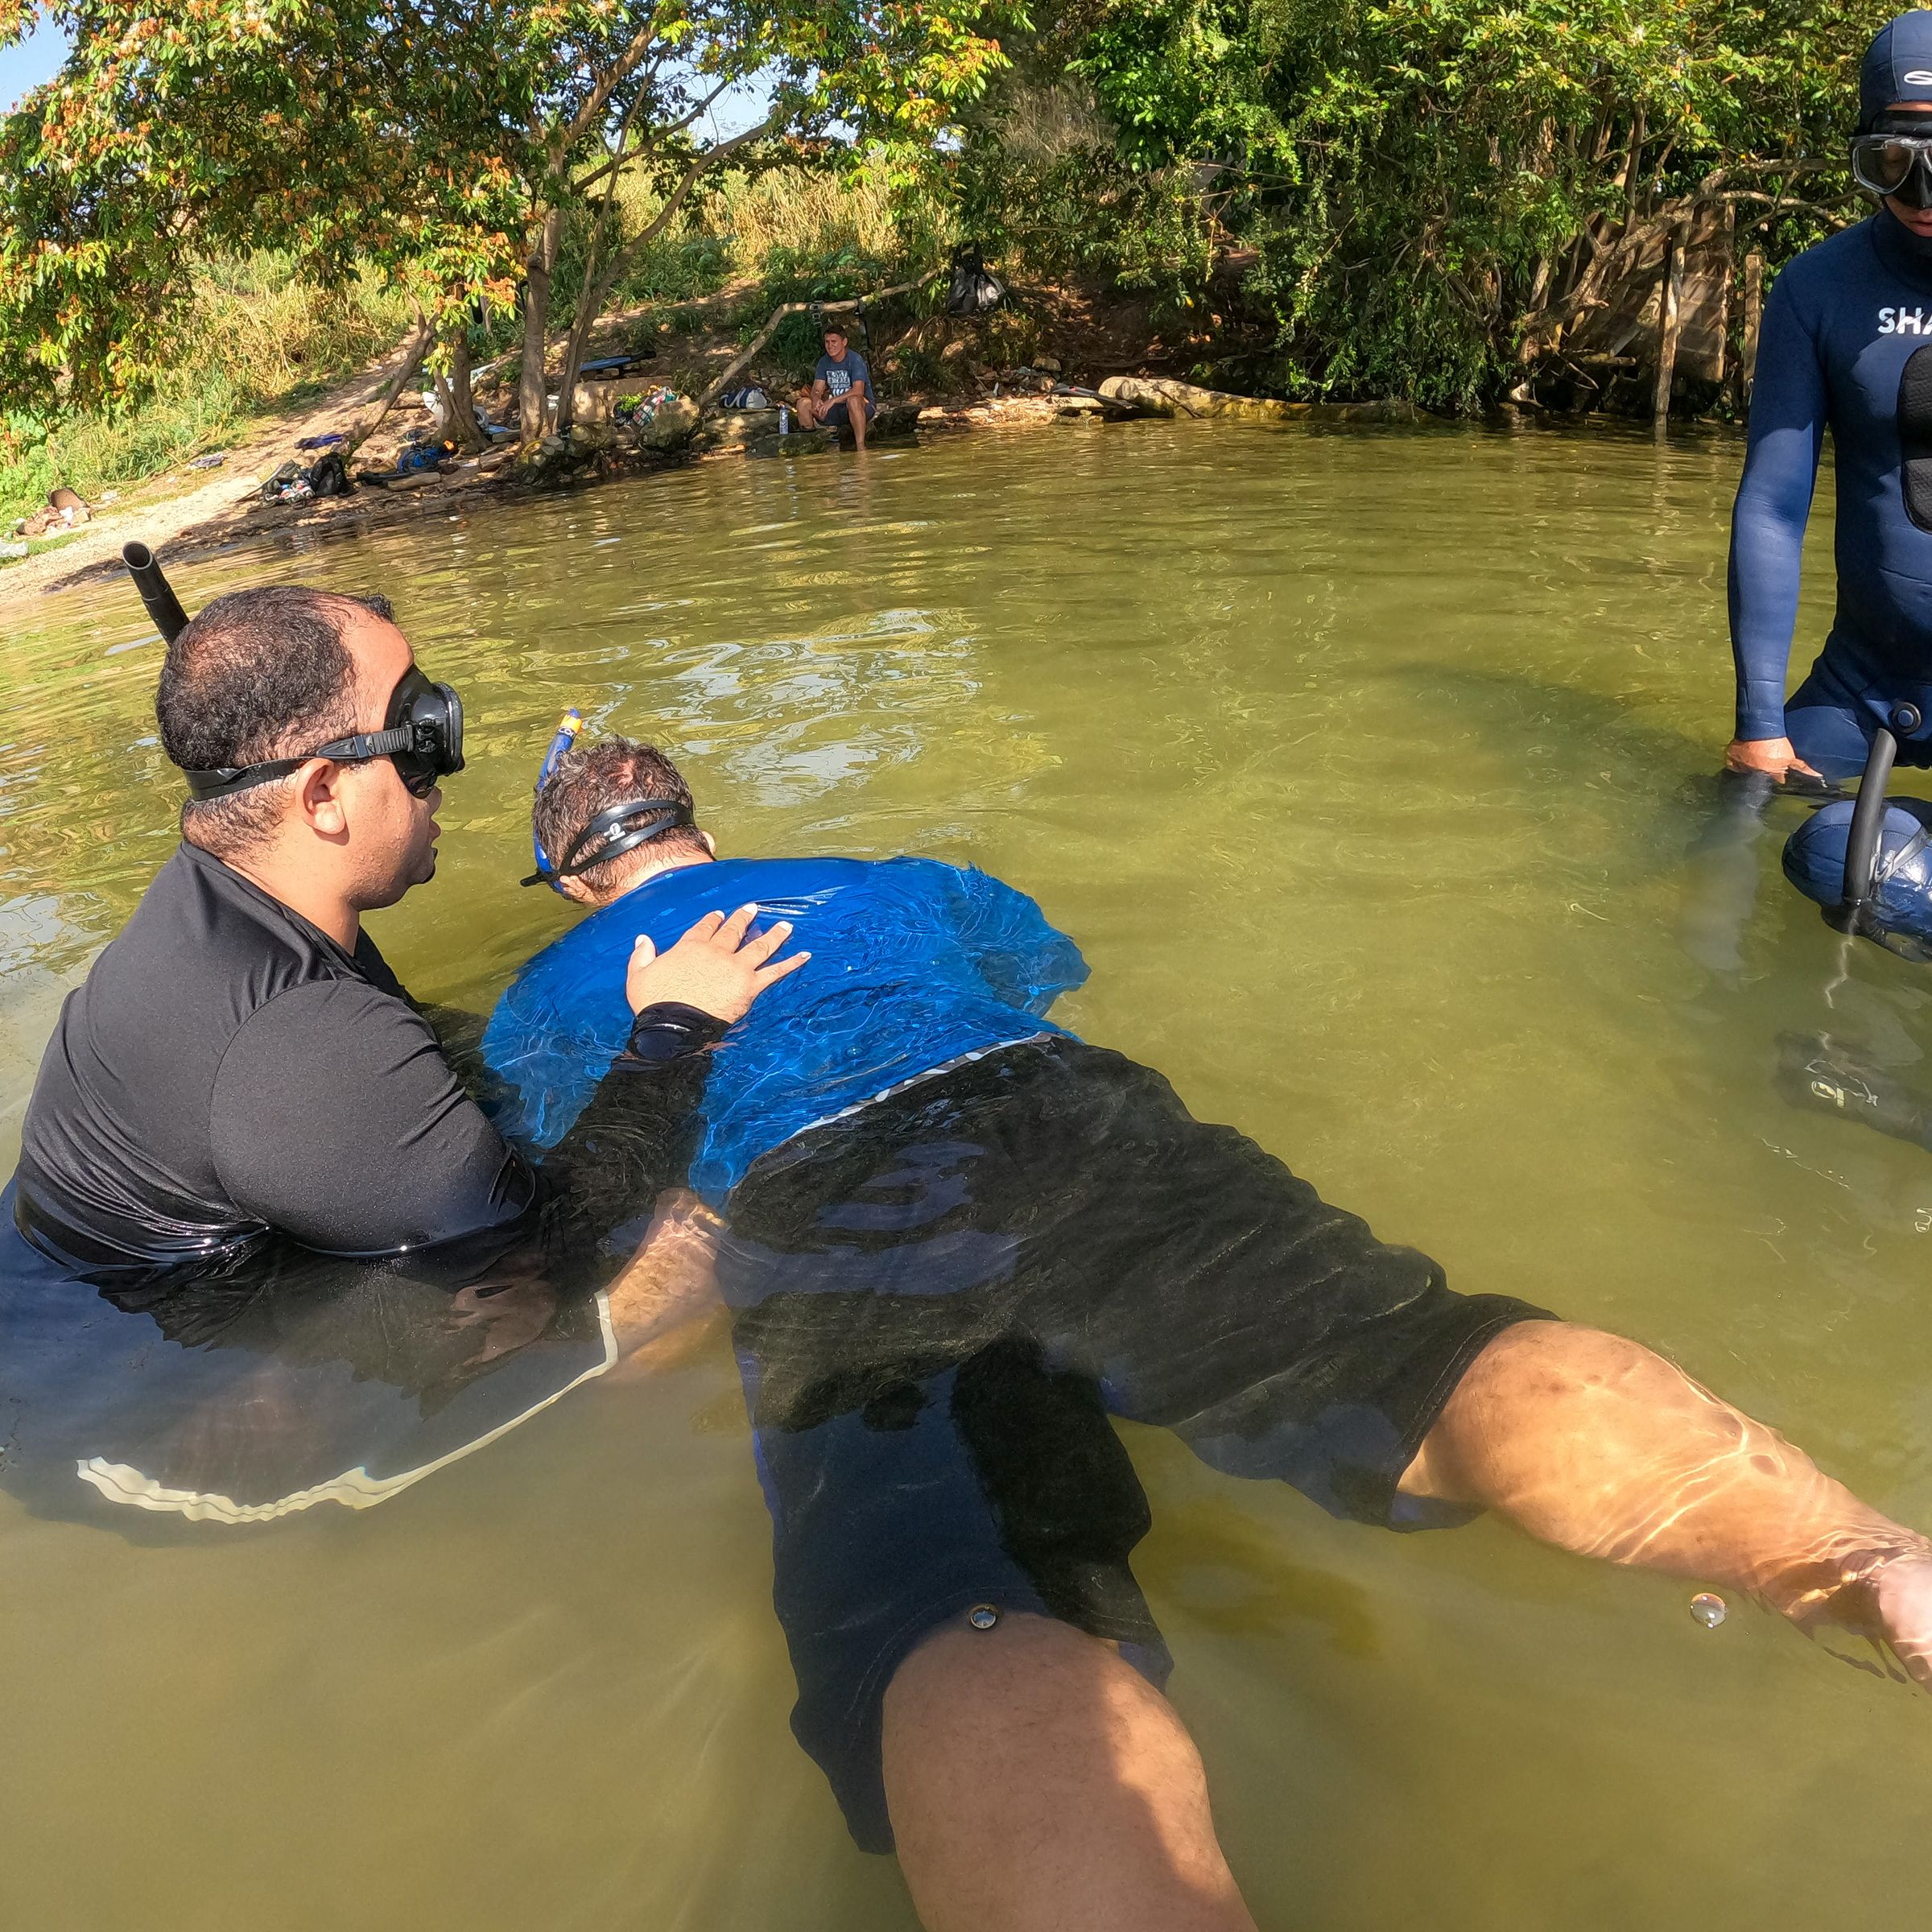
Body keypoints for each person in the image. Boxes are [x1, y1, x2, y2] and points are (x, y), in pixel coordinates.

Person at [489, 732, 1932, 1932]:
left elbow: (630, 1217)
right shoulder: (890, 877)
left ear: (570, 879)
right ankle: (1854, 1554)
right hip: (1064, 1099)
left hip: (839, 1199)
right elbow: (1034, 982)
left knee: (943, 1582)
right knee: (1407, 1357)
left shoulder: (545, 1001)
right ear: (695, 820)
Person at [10, 584, 803, 1271]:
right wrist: (674, 1029)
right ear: (321, 795)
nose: (444, 777)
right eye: (418, 742)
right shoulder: (304, 1039)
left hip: (124, 1270)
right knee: (678, 1261)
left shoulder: (233, 899)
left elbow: (420, 1060)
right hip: (151, 1371)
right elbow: (546, 1250)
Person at [1728, 10, 1932, 783]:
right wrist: (1760, 724)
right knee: (1738, 831)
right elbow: (1772, 506)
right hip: (1863, 686)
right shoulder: (1817, 288)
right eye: (1893, 160)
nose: (1923, 193)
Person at [793, 322, 873, 448]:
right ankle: (811, 445)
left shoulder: (855, 359)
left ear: (844, 342)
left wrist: (832, 401)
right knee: (803, 404)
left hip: (859, 406)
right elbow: (817, 389)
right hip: (834, 410)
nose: (830, 346)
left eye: (834, 342)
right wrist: (816, 399)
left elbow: (858, 390)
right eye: (827, 342)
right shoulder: (824, 362)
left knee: (853, 400)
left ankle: (861, 446)